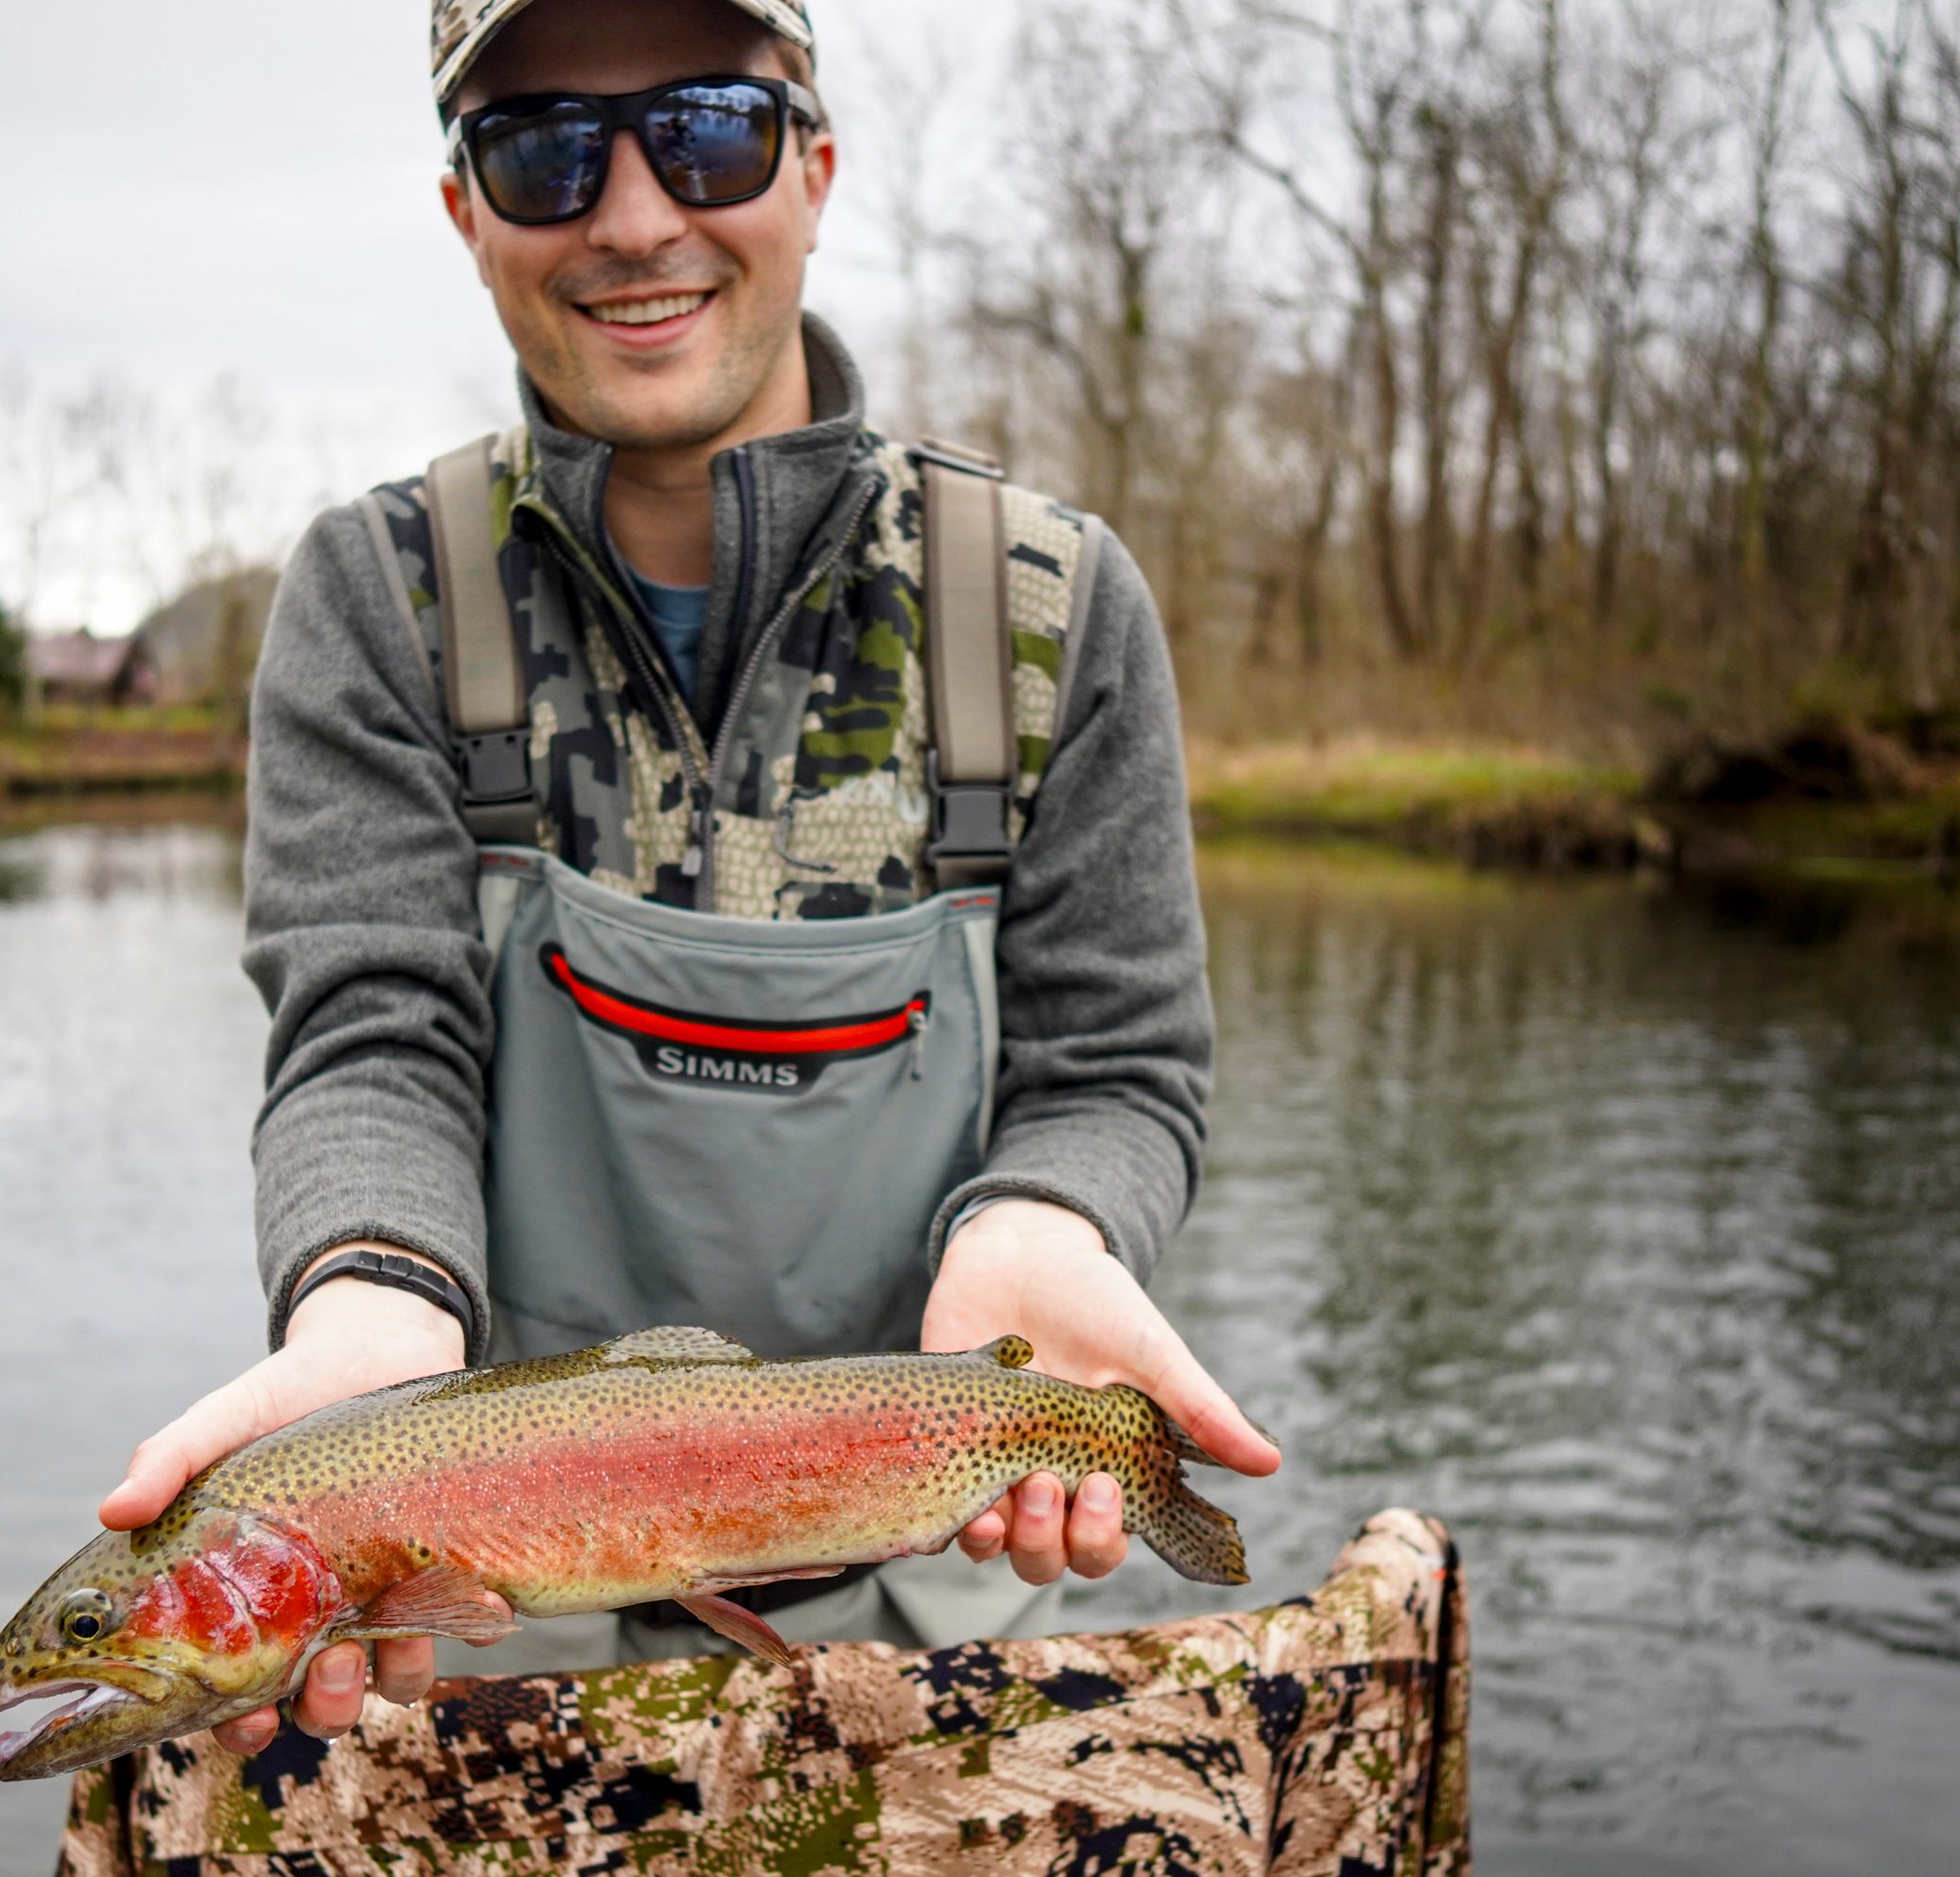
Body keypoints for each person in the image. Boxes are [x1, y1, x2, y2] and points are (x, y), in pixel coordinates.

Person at [93, 0, 1281, 1759]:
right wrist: (368, 1305)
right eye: (547, 149)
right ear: (465, 213)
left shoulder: (1050, 602)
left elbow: (1114, 1063)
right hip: (488, 1648)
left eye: (710, 128)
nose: (636, 216)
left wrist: (1053, 1222)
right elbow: (371, 1038)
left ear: (814, 164)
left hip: (940, 1624)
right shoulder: (378, 595)